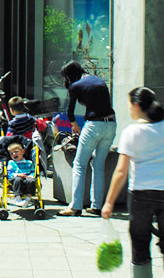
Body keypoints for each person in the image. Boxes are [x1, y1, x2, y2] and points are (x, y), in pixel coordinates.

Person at [102, 87, 164, 278]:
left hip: (141, 194)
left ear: (135, 105)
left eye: (128, 105)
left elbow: (121, 171)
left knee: (140, 245)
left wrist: (109, 202)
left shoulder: (132, 132)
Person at [57, 60, 117, 217]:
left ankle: (75, 206)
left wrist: (75, 125)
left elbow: (69, 112)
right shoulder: (98, 80)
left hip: (94, 125)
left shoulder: (75, 86)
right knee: (98, 164)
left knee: (79, 164)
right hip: (111, 124)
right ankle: (97, 206)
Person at [4, 141, 38, 207]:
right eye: (11, 154)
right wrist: (17, 175)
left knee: (31, 181)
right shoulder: (11, 163)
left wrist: (31, 176)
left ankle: (27, 199)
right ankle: (18, 199)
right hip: (15, 181)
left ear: (23, 152)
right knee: (18, 179)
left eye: (16, 152)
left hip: (27, 179)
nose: (14, 154)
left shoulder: (29, 163)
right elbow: (9, 173)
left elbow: (33, 172)